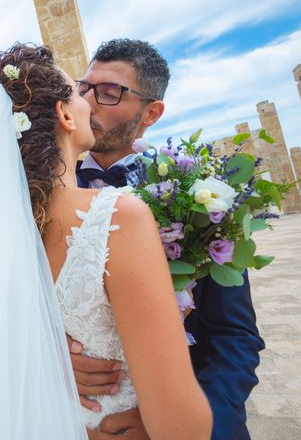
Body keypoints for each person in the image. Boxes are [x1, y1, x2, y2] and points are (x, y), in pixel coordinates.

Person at [0, 43, 212, 440]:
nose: (88, 100)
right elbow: (183, 430)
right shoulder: (119, 217)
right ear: (64, 114)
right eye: (77, 91)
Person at [73, 38, 265, 440]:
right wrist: (57, 354)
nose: (89, 103)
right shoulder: (43, 195)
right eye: (84, 88)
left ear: (152, 112)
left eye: (109, 93)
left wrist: (180, 426)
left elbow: (234, 337)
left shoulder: (200, 199)